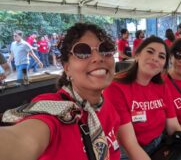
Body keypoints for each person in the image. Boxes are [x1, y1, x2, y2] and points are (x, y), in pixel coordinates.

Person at [0, 23, 121, 160]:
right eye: (82, 52)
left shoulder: (109, 108)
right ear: (67, 67)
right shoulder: (53, 108)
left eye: (105, 49)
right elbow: (20, 140)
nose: (98, 58)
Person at [103, 36, 181, 160]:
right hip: (128, 153)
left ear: (163, 65)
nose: (155, 58)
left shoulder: (162, 86)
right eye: (150, 51)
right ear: (137, 55)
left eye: (161, 56)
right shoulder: (115, 88)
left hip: (159, 145)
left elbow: (173, 126)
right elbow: (130, 145)